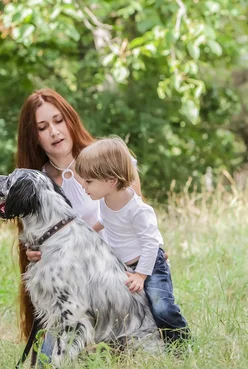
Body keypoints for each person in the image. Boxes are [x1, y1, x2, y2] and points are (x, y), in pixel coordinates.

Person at [14, 88, 143, 342]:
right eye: (42, 127)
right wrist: (35, 252)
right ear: (33, 136)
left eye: (58, 120)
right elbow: (36, 242)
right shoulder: (36, 186)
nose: (54, 132)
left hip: (125, 276)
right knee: (50, 363)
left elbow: (139, 216)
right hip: (76, 286)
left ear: (70, 120)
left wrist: (153, 253)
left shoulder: (110, 158)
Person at [75, 137, 190, 344]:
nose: (82, 184)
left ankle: (181, 341)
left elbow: (151, 243)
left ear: (111, 181)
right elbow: (106, 220)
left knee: (160, 304)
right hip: (126, 265)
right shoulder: (105, 200)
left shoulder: (138, 210)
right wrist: (89, 231)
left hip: (149, 264)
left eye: (88, 181)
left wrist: (141, 275)